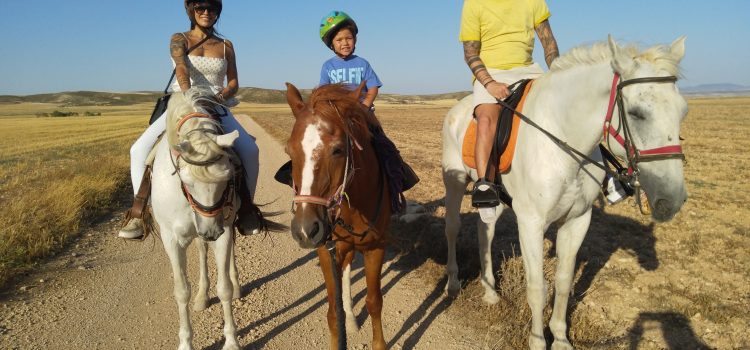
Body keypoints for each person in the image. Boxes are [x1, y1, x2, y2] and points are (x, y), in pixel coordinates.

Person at [119, 0, 259, 239]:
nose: (207, 13)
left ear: (218, 13)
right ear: (191, 11)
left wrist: (220, 95)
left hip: (216, 105)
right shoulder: (179, 38)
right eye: (201, 8)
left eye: (212, 8)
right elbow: (182, 68)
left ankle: (246, 209)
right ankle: (139, 214)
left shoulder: (226, 45)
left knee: (249, 149)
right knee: (139, 149)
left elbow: (234, 83)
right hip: (181, 103)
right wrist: (189, 95)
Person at [459, 0, 559, 207]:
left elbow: (548, 43)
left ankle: (604, 171)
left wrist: (558, 72)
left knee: (563, 106)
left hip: (529, 69)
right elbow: (470, 53)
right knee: (486, 120)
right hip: (492, 72)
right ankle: (485, 185)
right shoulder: (473, 4)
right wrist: (489, 83)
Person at [319, 10, 382, 110]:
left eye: (348, 38)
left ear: (355, 39)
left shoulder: (362, 64)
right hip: (338, 112)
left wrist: (365, 106)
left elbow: (373, 88)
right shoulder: (328, 66)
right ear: (332, 44)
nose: (345, 43)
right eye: (339, 40)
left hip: (361, 111)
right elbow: (323, 92)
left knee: (374, 125)